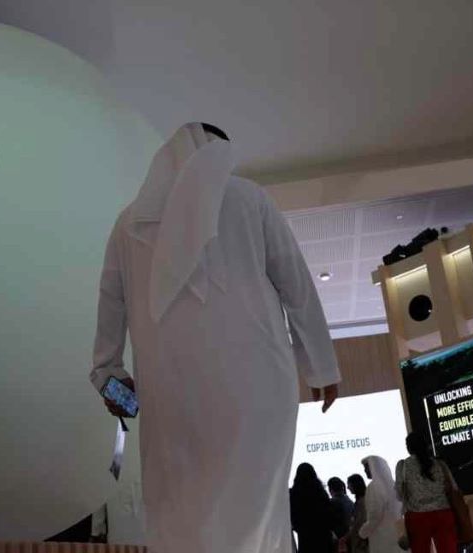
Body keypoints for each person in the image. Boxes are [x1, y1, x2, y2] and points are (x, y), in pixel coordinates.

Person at [90, 122, 340, 553]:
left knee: (180, 515)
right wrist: (320, 367)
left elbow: (109, 313)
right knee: (258, 514)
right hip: (259, 390)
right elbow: (295, 283)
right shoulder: (250, 197)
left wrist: (109, 378)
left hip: (172, 398)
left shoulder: (129, 223)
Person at [395, 432, 459, 553]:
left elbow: (399, 495)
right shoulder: (439, 464)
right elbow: (454, 488)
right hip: (443, 514)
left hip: (417, 518)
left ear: (408, 448)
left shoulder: (403, 466)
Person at [358, 456, 402, 553]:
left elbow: (375, 515)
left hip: (382, 538)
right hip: (399, 535)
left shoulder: (373, 487)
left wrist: (362, 533)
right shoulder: (394, 484)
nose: (365, 471)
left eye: (367, 468)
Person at [290, 464, 336, 553]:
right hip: (323, 537)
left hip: (305, 538)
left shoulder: (294, 494)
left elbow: (294, 519)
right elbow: (330, 516)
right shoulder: (321, 493)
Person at [346, 474, 369, 553]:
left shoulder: (362, 502)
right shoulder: (361, 500)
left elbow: (360, 522)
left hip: (361, 543)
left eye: (349, 484)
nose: (347, 487)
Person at [327, 477, 354, 541]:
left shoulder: (331, 503)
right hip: (352, 537)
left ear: (330, 490)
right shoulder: (350, 502)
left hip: (339, 540)